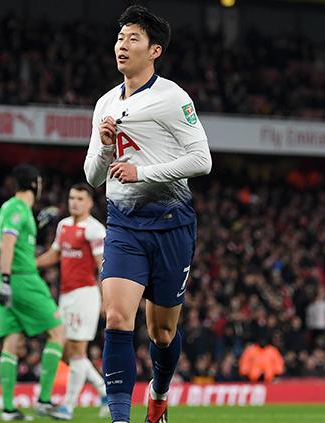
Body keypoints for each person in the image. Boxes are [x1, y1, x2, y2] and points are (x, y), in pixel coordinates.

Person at [83, 5, 212, 423]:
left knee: (162, 332)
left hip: (171, 225)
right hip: (122, 225)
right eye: (120, 37)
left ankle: (158, 393)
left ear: (154, 50)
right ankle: (121, 418)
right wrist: (103, 145)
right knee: (117, 317)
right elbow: (92, 176)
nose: (122, 45)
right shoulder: (105, 102)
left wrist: (143, 173)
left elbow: (202, 159)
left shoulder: (173, 98)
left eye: (133, 38)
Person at [0, 164, 67, 421]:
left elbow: (18, 238)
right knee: (58, 332)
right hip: (22, 279)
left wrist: (36, 223)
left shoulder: (11, 209)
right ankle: (45, 400)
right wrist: (6, 279)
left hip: (10, 280)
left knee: (12, 341)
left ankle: (8, 409)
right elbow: (8, 243)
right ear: (35, 183)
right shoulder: (17, 209)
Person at [36, 184, 109, 419]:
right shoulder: (63, 225)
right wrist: (30, 264)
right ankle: (104, 391)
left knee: (77, 350)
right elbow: (55, 254)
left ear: (89, 203)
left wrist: (107, 298)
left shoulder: (95, 230)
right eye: (71, 197)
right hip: (65, 295)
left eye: (79, 198)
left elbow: (102, 265)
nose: (74, 202)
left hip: (85, 295)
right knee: (67, 352)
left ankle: (68, 406)